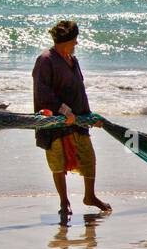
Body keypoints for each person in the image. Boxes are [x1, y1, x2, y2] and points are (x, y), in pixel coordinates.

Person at [32, 20, 111, 219]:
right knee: (57, 161)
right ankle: (64, 202)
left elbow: (79, 91)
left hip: (78, 120)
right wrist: (65, 112)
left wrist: (90, 116)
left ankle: (90, 196)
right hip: (55, 122)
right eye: (74, 40)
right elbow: (43, 94)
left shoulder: (72, 60)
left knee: (88, 157)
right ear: (65, 41)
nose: (76, 44)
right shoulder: (46, 60)